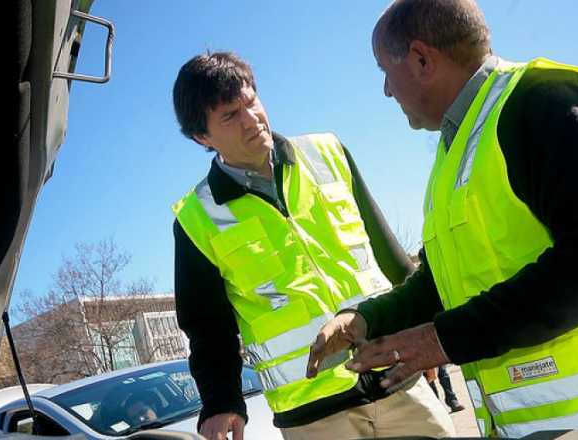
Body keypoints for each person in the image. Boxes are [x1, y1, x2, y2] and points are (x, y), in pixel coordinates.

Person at [306, 0, 578, 437]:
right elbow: (444, 280)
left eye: (383, 71)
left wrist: (444, 338)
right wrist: (366, 319)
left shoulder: (541, 101)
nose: (387, 91)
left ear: (421, 58)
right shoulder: (455, 153)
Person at [171, 51, 454, 440]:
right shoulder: (195, 219)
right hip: (313, 416)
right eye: (230, 116)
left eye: (251, 102)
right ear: (202, 137)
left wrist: (427, 332)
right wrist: (221, 402)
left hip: (397, 378)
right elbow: (208, 329)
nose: (251, 119)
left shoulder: (328, 153)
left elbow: (392, 259)